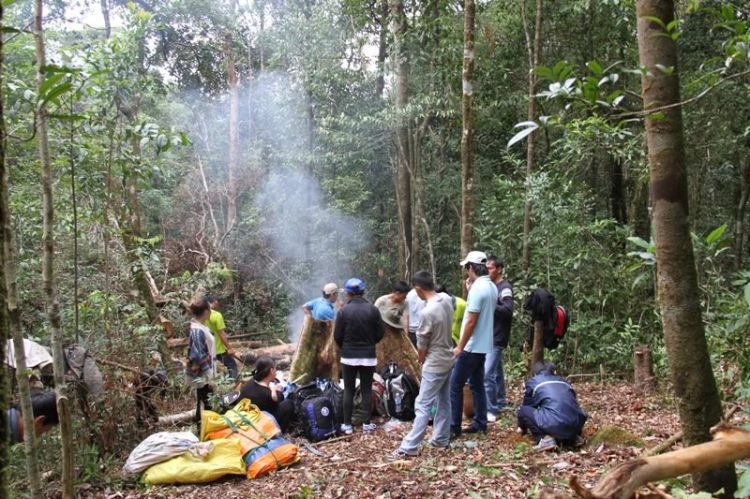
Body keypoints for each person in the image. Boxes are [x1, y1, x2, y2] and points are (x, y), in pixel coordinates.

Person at [389, 271, 454, 459]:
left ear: (418, 288)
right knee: (443, 400)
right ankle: (441, 439)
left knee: (423, 404)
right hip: (448, 358)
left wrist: (420, 359)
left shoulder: (427, 312)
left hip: (434, 362)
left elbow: (422, 343)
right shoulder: (447, 299)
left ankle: (409, 446)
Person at [450, 251, 498, 439]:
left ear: (471, 267)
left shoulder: (479, 289)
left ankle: (454, 426)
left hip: (471, 346)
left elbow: (471, 320)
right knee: (477, 384)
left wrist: (460, 346)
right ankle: (480, 422)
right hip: (483, 345)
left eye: (466, 268)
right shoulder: (490, 286)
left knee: (456, 384)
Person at [333, 278, 384, 435]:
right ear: (363, 292)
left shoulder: (343, 312)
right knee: (366, 390)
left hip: (348, 356)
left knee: (348, 390)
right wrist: (370, 343)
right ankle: (367, 424)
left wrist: (346, 347)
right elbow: (380, 333)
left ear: (348, 294)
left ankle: (347, 425)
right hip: (368, 355)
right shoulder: (373, 310)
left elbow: (337, 336)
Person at [517, 361, 588, 450]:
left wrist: (522, 427)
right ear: (554, 371)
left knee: (523, 410)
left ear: (535, 373)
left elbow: (528, 405)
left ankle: (545, 439)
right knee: (569, 411)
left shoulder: (534, 381)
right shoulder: (564, 381)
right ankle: (573, 438)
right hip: (577, 423)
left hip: (554, 423)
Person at [485, 255, 514, 422]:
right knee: (496, 370)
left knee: (486, 373)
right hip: (488, 334)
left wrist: (490, 303)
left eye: (490, 268)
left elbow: (508, 310)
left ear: (499, 269)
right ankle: (501, 400)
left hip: (497, 336)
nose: (488, 271)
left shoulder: (504, 287)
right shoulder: (490, 286)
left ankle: (492, 409)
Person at [238, 356, 296, 433]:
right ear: (271, 371)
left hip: (245, 418)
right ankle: (280, 431)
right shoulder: (268, 395)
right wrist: (274, 390)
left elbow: (262, 389)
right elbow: (279, 398)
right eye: (275, 369)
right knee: (288, 404)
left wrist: (272, 388)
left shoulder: (251, 381)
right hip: (258, 426)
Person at [186, 298, 217, 429]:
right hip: (203, 373)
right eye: (209, 309)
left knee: (206, 401)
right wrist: (209, 373)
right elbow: (199, 353)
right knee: (204, 402)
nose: (211, 311)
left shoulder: (201, 327)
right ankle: (202, 430)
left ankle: (206, 429)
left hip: (205, 371)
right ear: (205, 311)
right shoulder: (197, 330)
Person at [206, 295, 238, 380]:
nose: (219, 306)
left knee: (208, 369)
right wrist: (229, 348)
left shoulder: (200, 315)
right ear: (215, 301)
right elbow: (221, 333)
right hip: (218, 348)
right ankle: (233, 385)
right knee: (232, 365)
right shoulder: (216, 315)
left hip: (206, 349)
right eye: (219, 304)